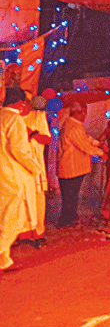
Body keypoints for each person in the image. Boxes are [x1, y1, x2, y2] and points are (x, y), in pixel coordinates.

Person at [0, 87, 41, 272]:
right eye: (25, 102)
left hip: (3, 174)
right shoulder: (14, 119)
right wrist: (36, 168)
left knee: (4, 217)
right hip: (10, 175)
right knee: (14, 219)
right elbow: (19, 150)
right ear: (18, 103)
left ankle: (5, 260)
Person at [57, 100, 101, 227]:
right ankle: (66, 221)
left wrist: (97, 143)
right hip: (71, 168)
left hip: (73, 168)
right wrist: (100, 152)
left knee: (72, 196)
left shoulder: (74, 125)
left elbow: (84, 139)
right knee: (70, 196)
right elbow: (83, 146)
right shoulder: (73, 126)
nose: (85, 116)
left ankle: (70, 218)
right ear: (75, 113)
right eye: (83, 113)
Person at [23, 95, 51, 246]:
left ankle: (38, 234)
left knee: (38, 199)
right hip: (18, 165)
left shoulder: (38, 116)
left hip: (34, 165)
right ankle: (24, 234)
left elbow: (47, 139)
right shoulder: (12, 117)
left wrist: (31, 133)